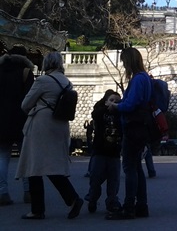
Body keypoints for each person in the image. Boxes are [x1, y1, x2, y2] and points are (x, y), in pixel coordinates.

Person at [16, 51, 84, 220]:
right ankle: (72, 198)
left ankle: (37, 210)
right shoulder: (66, 82)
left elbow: (25, 104)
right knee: (52, 166)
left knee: (34, 166)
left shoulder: (43, 80)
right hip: (60, 124)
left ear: (47, 63)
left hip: (41, 124)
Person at [106, 47, 153, 220]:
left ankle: (129, 206)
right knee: (137, 168)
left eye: (125, 61)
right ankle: (141, 205)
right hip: (141, 127)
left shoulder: (138, 79)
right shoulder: (144, 78)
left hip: (133, 127)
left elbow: (130, 104)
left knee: (129, 167)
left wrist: (116, 106)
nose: (124, 65)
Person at [0, 46, 34, 206]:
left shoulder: (1, 70)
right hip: (21, 119)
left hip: (2, 120)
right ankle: (28, 192)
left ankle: (2, 192)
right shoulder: (26, 72)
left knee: (2, 156)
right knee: (25, 157)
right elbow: (31, 99)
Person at [87, 89, 122, 214]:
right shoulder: (100, 112)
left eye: (116, 101)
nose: (113, 103)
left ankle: (112, 201)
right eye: (111, 100)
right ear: (106, 101)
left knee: (114, 180)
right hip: (100, 151)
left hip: (114, 153)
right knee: (95, 178)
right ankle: (92, 198)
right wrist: (106, 108)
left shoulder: (120, 114)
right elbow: (95, 115)